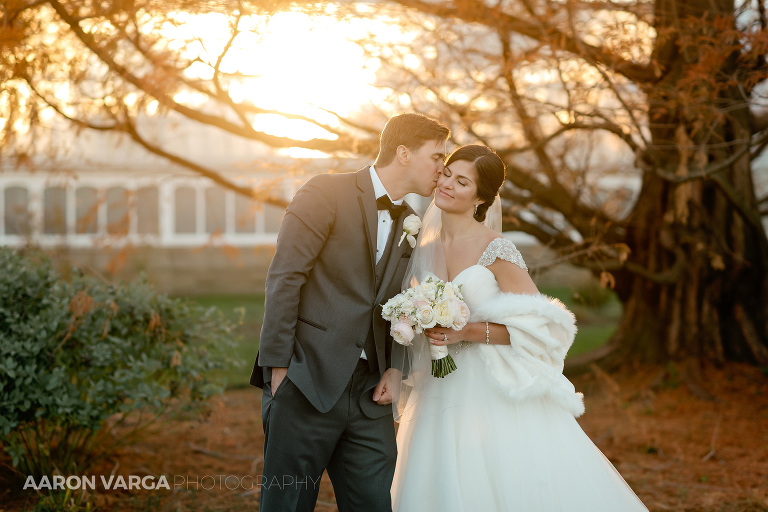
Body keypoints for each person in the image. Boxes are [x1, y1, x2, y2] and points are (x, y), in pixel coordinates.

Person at [390, 144, 648, 511]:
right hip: (437, 384)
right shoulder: (421, 244)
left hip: (489, 386)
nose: (447, 184)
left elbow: (540, 330)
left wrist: (467, 332)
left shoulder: (496, 249)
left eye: (462, 182)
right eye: (447, 173)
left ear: (480, 198)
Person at [249, 113, 450, 511]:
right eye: (437, 157)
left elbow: (400, 303)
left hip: (369, 396)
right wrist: (279, 371)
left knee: (375, 504)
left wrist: (394, 367)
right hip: (305, 380)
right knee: (286, 505)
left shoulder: (414, 221)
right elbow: (285, 277)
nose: (442, 169)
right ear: (404, 153)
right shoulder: (325, 192)